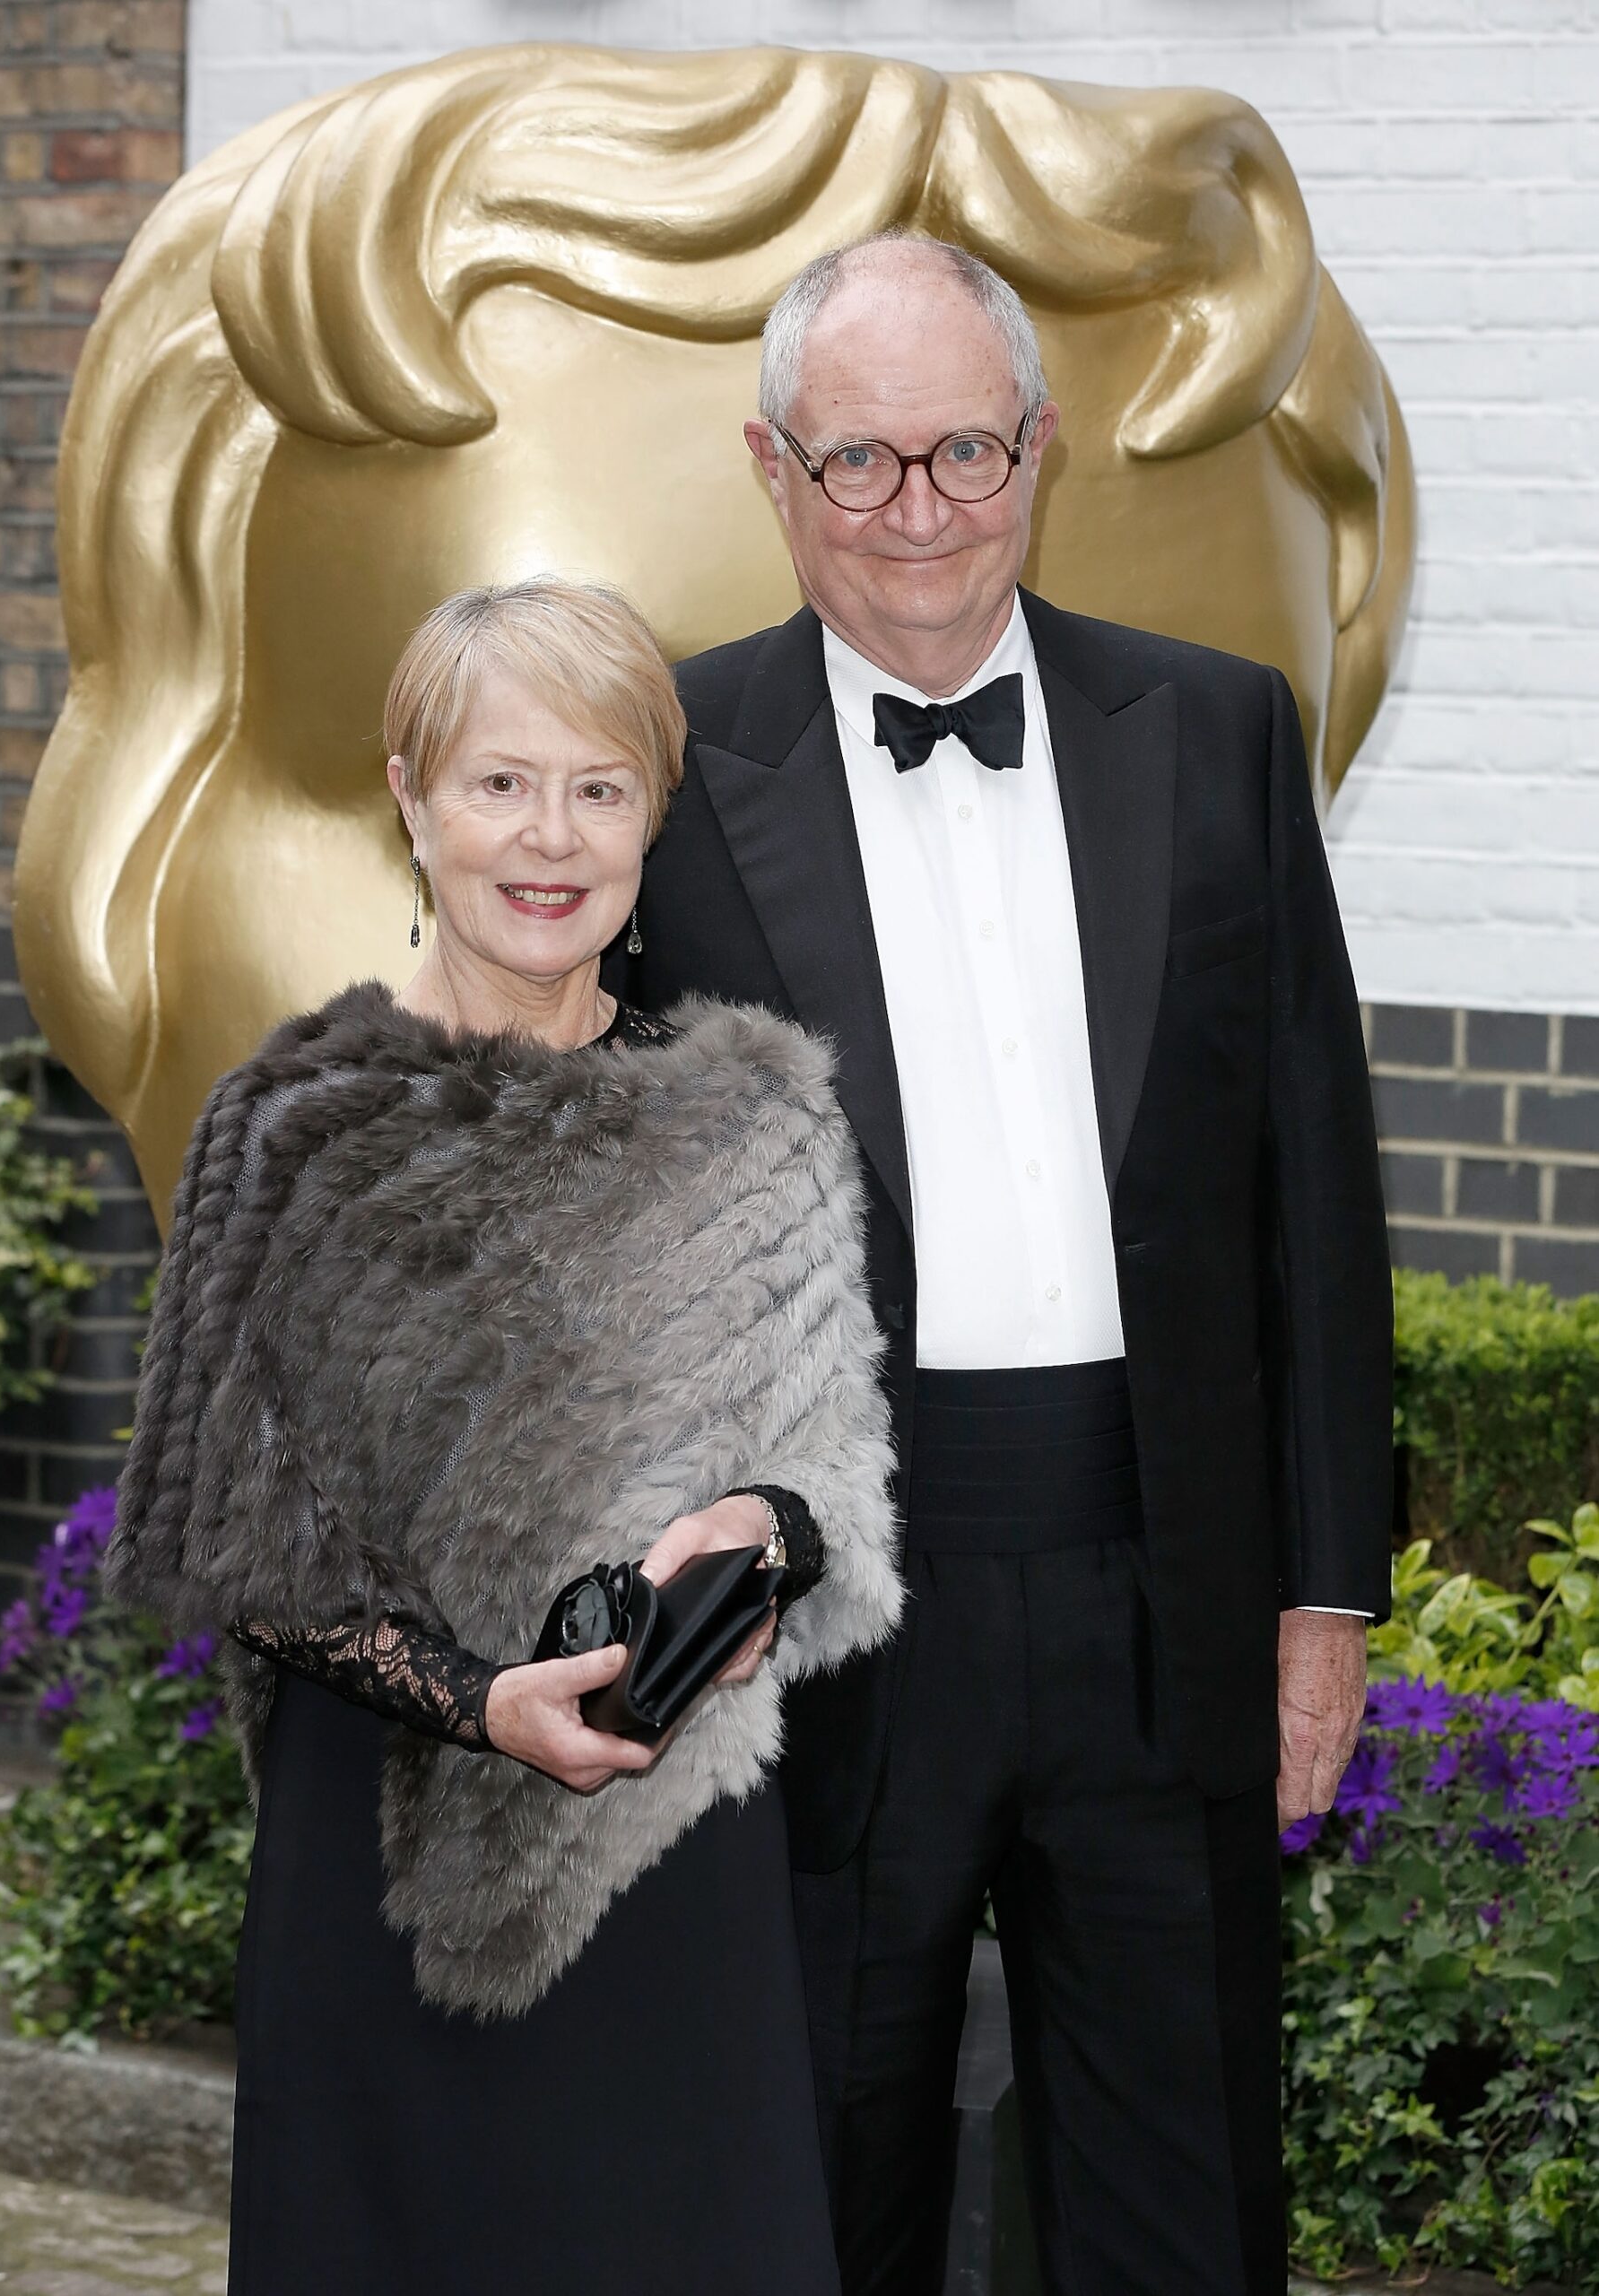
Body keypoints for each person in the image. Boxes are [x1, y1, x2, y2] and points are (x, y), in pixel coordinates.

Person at [612, 233, 1395, 2296]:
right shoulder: (665, 774)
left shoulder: (1221, 730)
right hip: (828, 1602)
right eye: (862, 463)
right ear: (774, 474)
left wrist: (1327, 1592)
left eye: (967, 450)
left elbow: (1313, 1188)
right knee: (808, 2193)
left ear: (1038, 451)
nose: (924, 512)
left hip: (1168, 1591)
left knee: (1182, 2195)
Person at [106, 578, 902, 2296]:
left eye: (600, 788)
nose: (552, 838)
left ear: (651, 817)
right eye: (499, 783)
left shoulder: (754, 1114)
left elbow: (831, 1473)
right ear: (410, 796)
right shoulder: (290, 1131)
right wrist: (483, 1703)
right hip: (384, 1881)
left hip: (676, 1871)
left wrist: (759, 1536)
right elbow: (229, 1549)